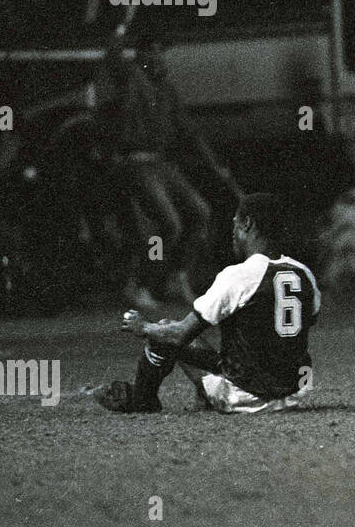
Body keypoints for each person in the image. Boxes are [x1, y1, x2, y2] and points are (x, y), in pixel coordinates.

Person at [91, 193, 320, 414]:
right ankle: (203, 395)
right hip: (295, 393)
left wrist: (143, 327)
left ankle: (143, 400)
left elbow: (180, 334)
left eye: (235, 224)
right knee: (233, 350)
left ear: (247, 224)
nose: (232, 233)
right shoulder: (304, 273)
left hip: (249, 397)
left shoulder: (240, 275)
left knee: (164, 331)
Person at [104, 30, 233, 308]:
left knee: (201, 214)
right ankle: (139, 284)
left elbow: (190, 133)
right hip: (136, 163)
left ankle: (177, 276)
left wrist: (215, 166)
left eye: (162, 51)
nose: (160, 57)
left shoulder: (167, 90)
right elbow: (113, 56)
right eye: (154, 51)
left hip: (160, 163)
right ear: (142, 55)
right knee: (169, 224)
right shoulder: (132, 78)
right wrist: (122, 28)